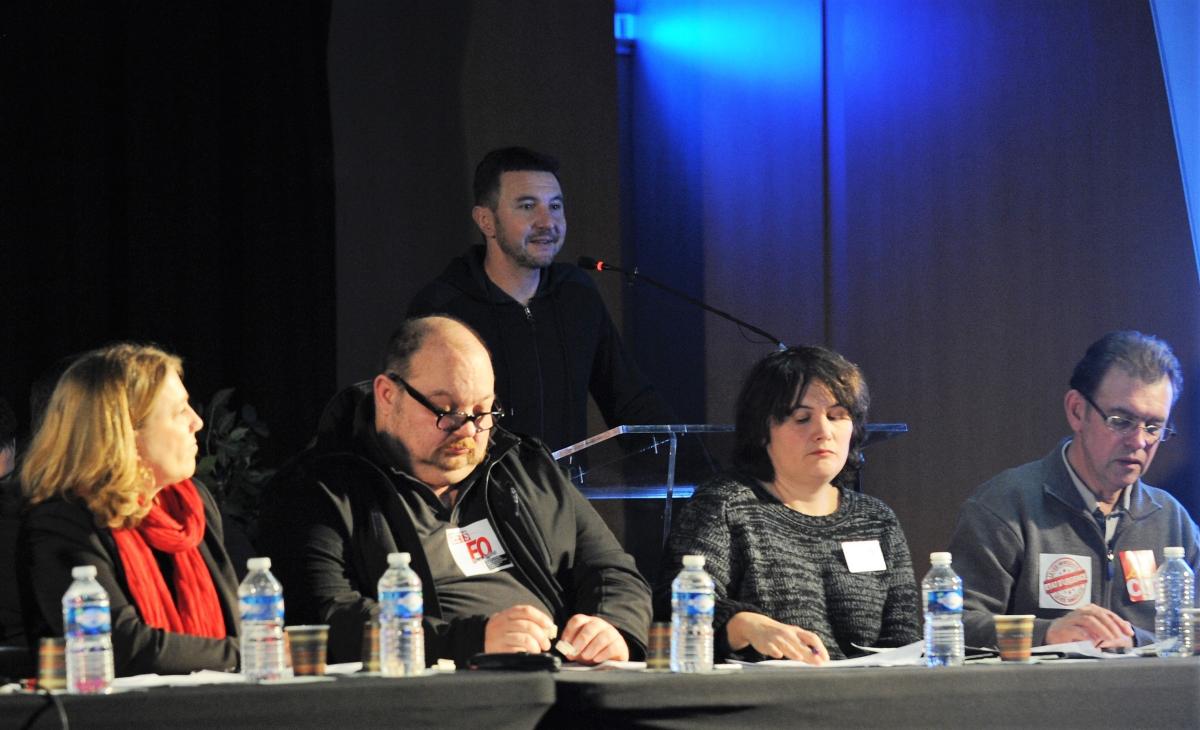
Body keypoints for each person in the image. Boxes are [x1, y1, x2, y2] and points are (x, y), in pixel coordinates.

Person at [258, 315, 652, 665]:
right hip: (431, 699)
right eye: (447, 411)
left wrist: (611, 625)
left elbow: (613, 569)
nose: (467, 430)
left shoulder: (523, 467)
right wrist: (469, 641)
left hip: (557, 681)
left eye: (483, 411)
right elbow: (323, 617)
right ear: (387, 395)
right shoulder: (321, 488)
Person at [657, 346, 921, 664]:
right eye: (802, 418)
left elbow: (904, 640)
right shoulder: (726, 505)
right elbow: (673, 608)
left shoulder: (876, 519)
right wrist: (743, 624)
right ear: (762, 431)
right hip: (769, 703)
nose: (823, 432)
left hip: (867, 703)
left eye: (837, 416)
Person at [406, 146, 672, 451]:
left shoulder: (577, 295)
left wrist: (701, 481)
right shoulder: (443, 308)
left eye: (555, 206)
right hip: (477, 495)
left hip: (562, 493)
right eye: (528, 206)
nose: (548, 222)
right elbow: (421, 426)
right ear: (486, 220)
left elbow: (631, 401)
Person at [949, 331, 1200, 649]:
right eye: (1121, 420)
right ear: (1077, 411)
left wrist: (1136, 639)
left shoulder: (1171, 520)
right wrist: (1046, 634)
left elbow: (1194, 630)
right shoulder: (1005, 507)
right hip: (1039, 696)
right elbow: (955, 625)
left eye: (1153, 426)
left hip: (1148, 696)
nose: (1139, 441)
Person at [18, 344, 240, 675]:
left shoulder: (192, 505)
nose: (197, 421)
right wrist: (249, 654)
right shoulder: (62, 522)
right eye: (180, 411)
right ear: (125, 431)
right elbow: (121, 647)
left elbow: (235, 624)